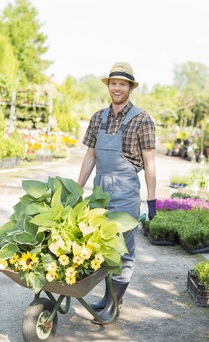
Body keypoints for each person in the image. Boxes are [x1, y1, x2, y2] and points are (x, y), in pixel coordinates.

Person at [77, 62, 156, 324]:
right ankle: (107, 296)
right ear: (108, 86)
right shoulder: (98, 117)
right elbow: (90, 157)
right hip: (100, 191)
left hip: (125, 191)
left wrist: (152, 200)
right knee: (99, 246)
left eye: (123, 84)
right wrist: (77, 189)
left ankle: (114, 303)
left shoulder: (142, 119)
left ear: (131, 88)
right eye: (113, 83)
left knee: (123, 250)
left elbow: (150, 163)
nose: (117, 88)